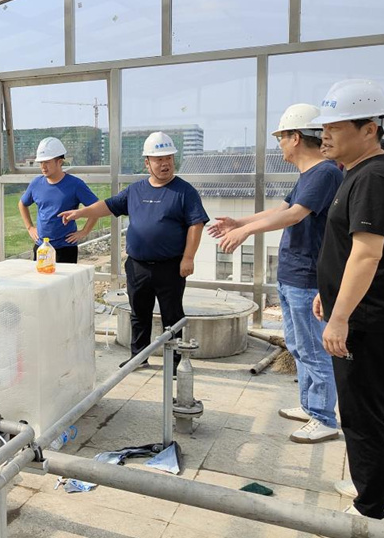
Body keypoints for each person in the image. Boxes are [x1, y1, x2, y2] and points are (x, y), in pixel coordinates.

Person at [208, 104, 343, 444]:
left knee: (313, 349)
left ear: (295, 137)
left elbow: (294, 216)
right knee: (298, 345)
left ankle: (324, 418)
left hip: (307, 278)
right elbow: (282, 209)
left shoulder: (325, 173)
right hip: (292, 275)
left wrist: (245, 232)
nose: (279, 144)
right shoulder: (309, 174)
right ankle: (311, 407)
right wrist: (239, 222)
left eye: (281, 137)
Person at [311, 79, 384, 519]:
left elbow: (367, 254)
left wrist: (340, 318)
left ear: (369, 129)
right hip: (366, 312)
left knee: (360, 410)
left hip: (367, 319)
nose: (325, 136)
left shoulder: (373, 178)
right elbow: (346, 251)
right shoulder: (361, 173)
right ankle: (383, 488)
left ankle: (370, 507)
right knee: (376, 402)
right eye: (323, 128)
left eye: (334, 127)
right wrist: (329, 295)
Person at [60, 131, 208, 368]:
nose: (165, 164)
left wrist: (188, 257)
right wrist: (81, 212)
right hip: (138, 266)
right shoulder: (135, 190)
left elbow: (196, 224)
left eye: (169, 158)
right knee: (139, 314)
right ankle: (139, 358)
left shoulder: (184, 191)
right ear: (147, 163)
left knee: (172, 316)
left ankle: (175, 363)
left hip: (170, 266)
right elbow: (108, 206)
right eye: (159, 159)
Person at [18, 137, 99, 264]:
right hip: (41, 247)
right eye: (41, 163)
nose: (43, 167)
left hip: (65, 248)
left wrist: (84, 232)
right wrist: (30, 227)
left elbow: (96, 208)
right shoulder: (36, 183)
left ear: (59, 162)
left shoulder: (75, 185)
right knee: (41, 277)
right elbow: (22, 204)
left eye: (47, 162)